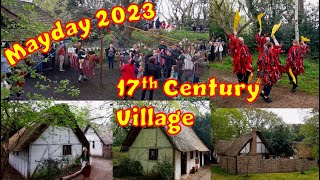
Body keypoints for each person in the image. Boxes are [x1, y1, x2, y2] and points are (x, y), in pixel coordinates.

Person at [257, 36, 283, 103]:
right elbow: (278, 46)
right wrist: (274, 38)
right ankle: (265, 97)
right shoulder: (272, 53)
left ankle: (262, 93)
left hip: (265, 72)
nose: (273, 47)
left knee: (267, 83)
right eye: (272, 46)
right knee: (269, 84)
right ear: (269, 47)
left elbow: (259, 63)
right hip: (269, 72)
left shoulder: (263, 54)